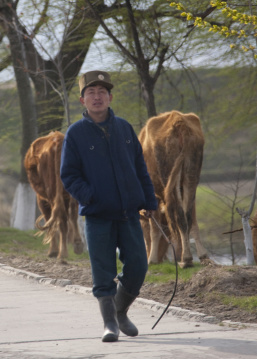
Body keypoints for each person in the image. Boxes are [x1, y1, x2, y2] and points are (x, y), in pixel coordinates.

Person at [60, 70, 157, 342]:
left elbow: (140, 168)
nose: (97, 96)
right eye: (91, 92)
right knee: (103, 270)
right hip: (98, 215)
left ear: (110, 97)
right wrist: (91, 196)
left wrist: (149, 200)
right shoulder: (76, 134)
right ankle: (109, 323)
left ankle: (120, 310)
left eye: (102, 92)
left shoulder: (124, 129)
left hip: (128, 214)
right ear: (83, 100)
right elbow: (69, 175)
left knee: (138, 265)